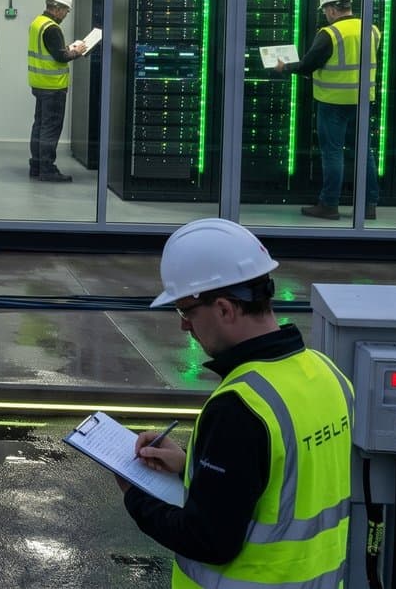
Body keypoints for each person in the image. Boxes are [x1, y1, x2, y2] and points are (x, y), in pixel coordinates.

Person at [122, 218, 352, 589]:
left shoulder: (240, 407)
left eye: (186, 311)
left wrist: (134, 495)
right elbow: (281, 488)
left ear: (226, 309)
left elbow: (207, 539)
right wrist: (190, 467)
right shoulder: (329, 376)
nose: (185, 327)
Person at [275, 0, 381, 220]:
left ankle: (329, 204)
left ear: (332, 9)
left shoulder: (330, 34)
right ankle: (368, 205)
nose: (325, 15)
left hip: (333, 102)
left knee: (333, 153)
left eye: (325, 10)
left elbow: (308, 65)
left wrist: (285, 67)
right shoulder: (372, 29)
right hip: (363, 101)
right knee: (364, 152)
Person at [28, 0, 90, 182]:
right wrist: (78, 50)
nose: (65, 14)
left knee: (39, 125)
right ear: (57, 8)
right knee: (51, 128)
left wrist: (67, 48)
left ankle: (36, 165)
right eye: (65, 10)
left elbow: (49, 51)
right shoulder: (53, 28)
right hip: (53, 86)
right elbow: (61, 56)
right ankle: (47, 169)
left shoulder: (38, 23)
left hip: (39, 83)